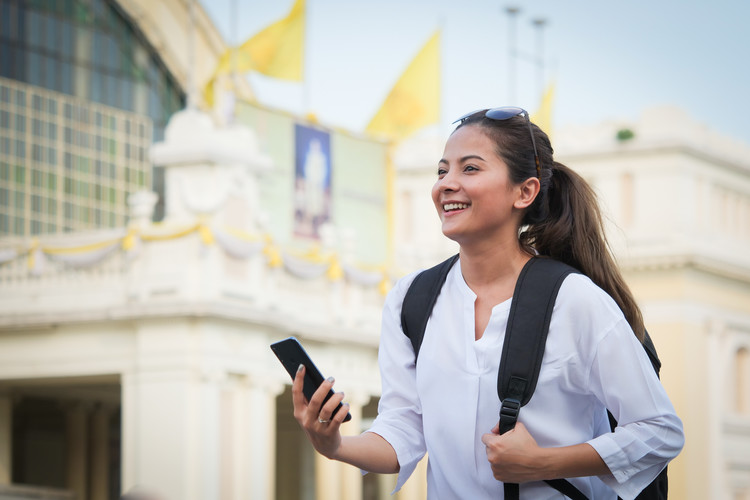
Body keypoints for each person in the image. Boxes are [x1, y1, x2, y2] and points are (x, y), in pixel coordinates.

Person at [291, 107, 684, 499]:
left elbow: (659, 430)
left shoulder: (575, 300)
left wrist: (543, 462)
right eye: (442, 171)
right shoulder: (411, 299)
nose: (446, 184)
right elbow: (404, 428)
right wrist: (335, 445)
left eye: (470, 169)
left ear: (525, 191)